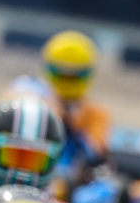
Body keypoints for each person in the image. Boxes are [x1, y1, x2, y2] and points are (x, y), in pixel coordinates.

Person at [38, 30, 112, 184]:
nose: (68, 80)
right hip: (38, 173)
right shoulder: (34, 102)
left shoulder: (95, 113)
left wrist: (73, 123)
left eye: (74, 76)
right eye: (63, 74)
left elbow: (96, 154)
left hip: (75, 183)